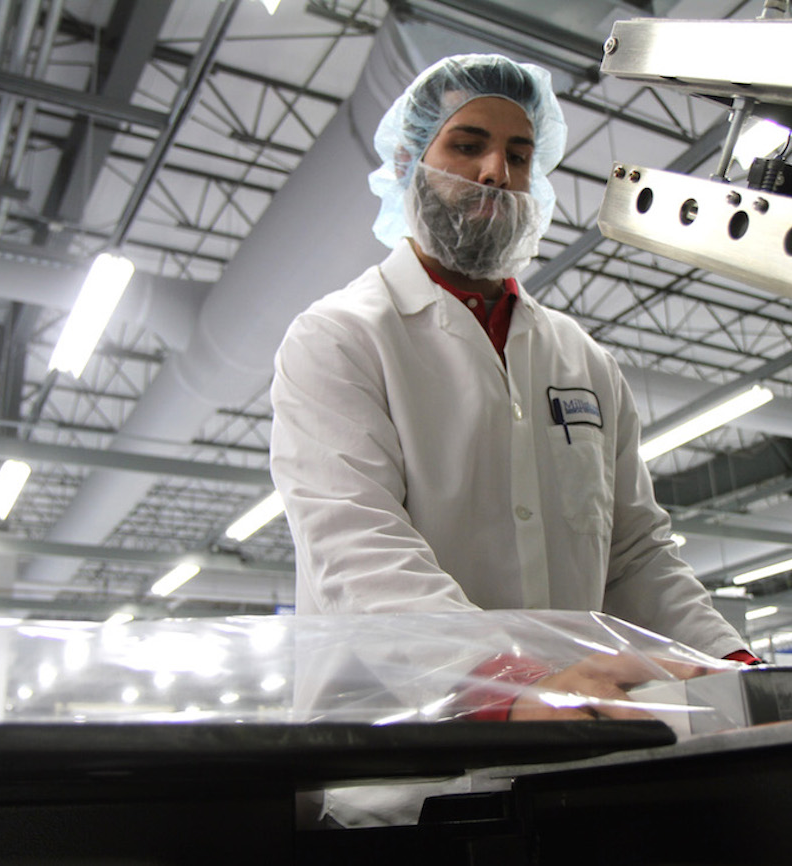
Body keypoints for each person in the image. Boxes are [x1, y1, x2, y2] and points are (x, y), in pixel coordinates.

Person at [270, 53, 757, 724]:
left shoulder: (583, 360)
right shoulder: (340, 338)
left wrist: (737, 673)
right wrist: (504, 682)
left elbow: (634, 555)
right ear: (409, 161)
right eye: (467, 145)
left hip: (568, 744)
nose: (496, 171)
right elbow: (356, 545)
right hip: (396, 754)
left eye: (519, 156)